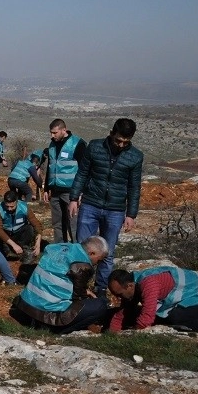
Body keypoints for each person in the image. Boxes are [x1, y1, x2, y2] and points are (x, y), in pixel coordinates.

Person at [69, 118, 143, 296]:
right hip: (90, 204)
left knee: (108, 253)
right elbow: (83, 173)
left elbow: (134, 186)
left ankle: (100, 288)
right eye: (118, 140)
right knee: (82, 248)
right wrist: (73, 198)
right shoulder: (95, 147)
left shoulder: (135, 156)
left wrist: (131, 214)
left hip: (116, 209)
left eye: (126, 142)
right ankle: (78, 287)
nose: (121, 145)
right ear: (111, 133)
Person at [9, 236, 110, 334]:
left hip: (26, 305)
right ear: (91, 253)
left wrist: (84, 290)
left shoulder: (59, 247)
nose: (97, 263)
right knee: (100, 306)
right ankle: (57, 330)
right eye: (99, 259)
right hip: (47, 314)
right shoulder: (82, 265)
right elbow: (79, 297)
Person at [108, 267, 198, 333]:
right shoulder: (133, 283)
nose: (118, 298)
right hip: (195, 294)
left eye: (120, 294)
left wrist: (133, 333)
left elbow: (147, 318)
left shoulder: (148, 284)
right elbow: (122, 313)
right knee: (162, 316)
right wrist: (113, 333)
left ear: (129, 286)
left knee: (175, 317)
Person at [42, 119, 87, 243]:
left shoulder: (77, 144)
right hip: (55, 191)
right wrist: (46, 188)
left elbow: (85, 170)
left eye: (55, 133)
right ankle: (60, 251)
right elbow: (51, 167)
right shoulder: (52, 145)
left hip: (71, 192)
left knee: (73, 223)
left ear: (64, 130)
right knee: (57, 224)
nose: (52, 135)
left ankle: (76, 251)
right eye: (51, 133)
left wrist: (80, 192)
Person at [0, 190, 44, 263]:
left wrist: (38, 243)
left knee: (29, 228)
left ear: (17, 202)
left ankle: (23, 251)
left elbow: (36, 224)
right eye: (7, 206)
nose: (9, 209)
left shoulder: (24, 207)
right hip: (6, 236)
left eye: (12, 206)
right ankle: (4, 253)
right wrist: (13, 244)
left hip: (19, 234)